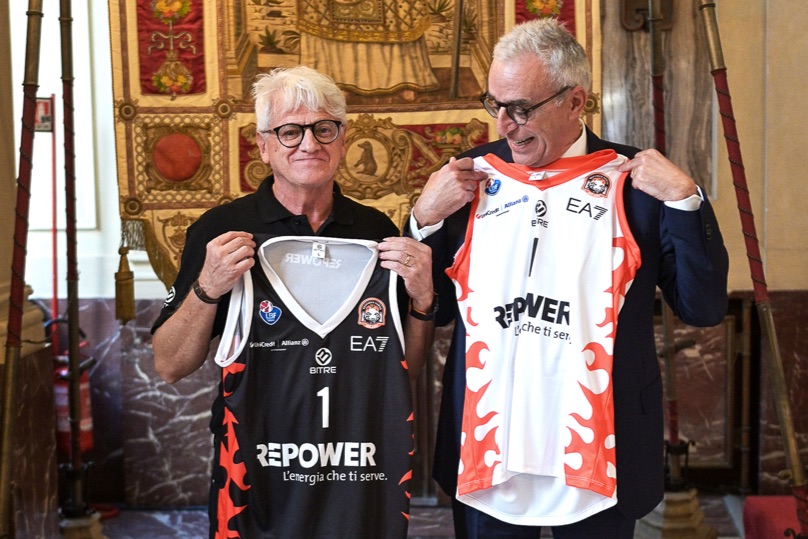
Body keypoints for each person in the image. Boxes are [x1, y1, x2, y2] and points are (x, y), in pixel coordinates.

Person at [407, 18, 729, 539]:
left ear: (575, 102)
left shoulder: (636, 180)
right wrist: (423, 219)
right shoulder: (468, 176)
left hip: (604, 450)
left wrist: (686, 201)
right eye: (495, 105)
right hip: (489, 452)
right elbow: (433, 306)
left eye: (521, 108)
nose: (504, 125)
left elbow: (703, 307)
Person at [151, 65, 436, 538]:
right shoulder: (219, 231)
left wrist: (424, 300)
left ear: (343, 139)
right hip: (257, 461)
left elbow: (405, 371)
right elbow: (169, 365)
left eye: (324, 128)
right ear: (263, 146)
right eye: (290, 131)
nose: (309, 144)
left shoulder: (376, 233)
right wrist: (207, 287)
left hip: (357, 463)